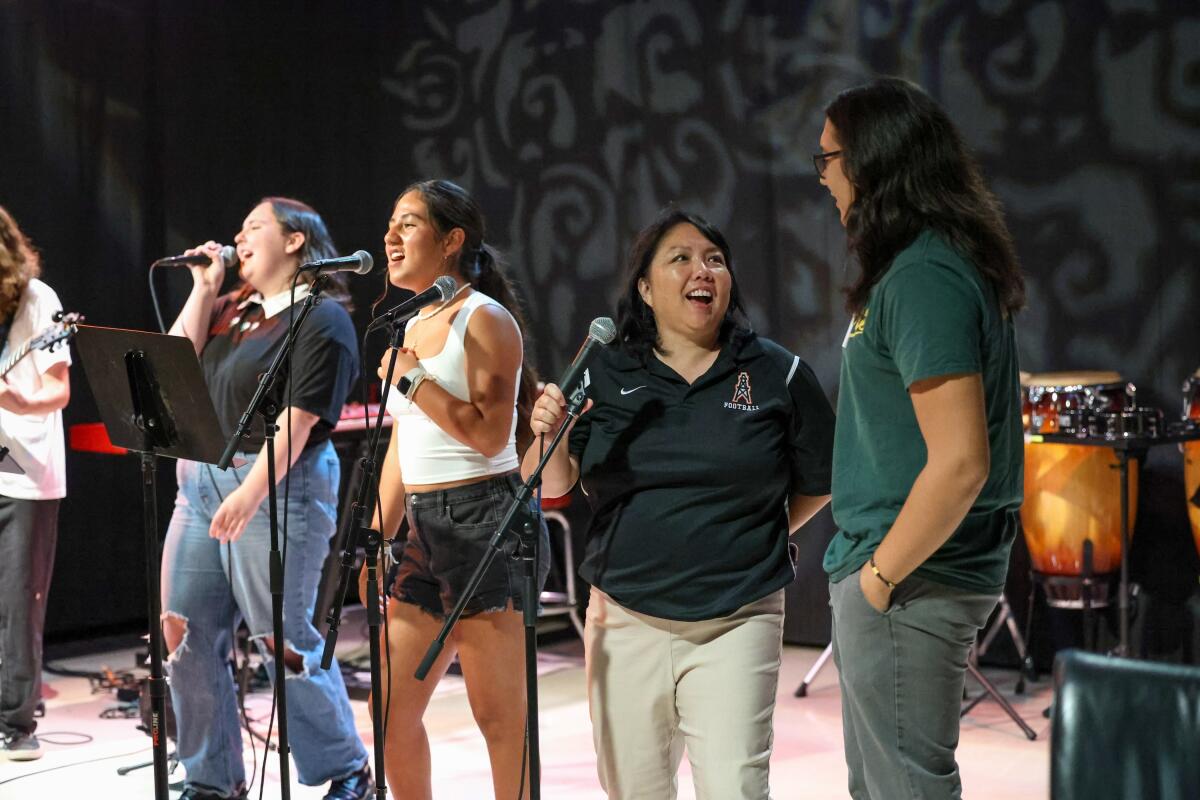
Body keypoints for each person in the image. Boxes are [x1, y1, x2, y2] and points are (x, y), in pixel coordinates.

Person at [525, 208, 836, 799]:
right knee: (633, 790)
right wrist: (552, 434)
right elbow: (548, 485)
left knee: (734, 788)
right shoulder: (605, 369)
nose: (704, 270)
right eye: (682, 258)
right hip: (624, 620)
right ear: (644, 288)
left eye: (715, 259)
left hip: (736, 620)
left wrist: (762, 531)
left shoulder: (776, 371)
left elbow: (821, 479)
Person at [815, 76, 1026, 799]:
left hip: (912, 581)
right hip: (904, 578)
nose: (824, 180)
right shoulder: (918, 268)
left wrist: (878, 579)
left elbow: (962, 461)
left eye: (829, 159)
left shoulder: (926, 276)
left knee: (902, 789)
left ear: (870, 163)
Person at [160, 197, 371, 800]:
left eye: (255, 226)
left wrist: (252, 493)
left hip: (281, 482)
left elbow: (299, 420)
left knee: (281, 633)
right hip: (202, 479)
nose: (239, 236)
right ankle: (210, 778)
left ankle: (346, 768)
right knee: (184, 628)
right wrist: (203, 291)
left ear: (297, 241)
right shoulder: (232, 309)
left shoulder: (319, 318)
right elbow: (171, 369)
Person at [370, 179, 548, 800]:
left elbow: (488, 431)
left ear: (451, 241)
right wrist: (377, 535)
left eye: (408, 225)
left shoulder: (486, 318)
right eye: (390, 224)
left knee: (500, 722)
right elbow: (404, 441)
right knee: (389, 714)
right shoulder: (412, 322)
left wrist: (415, 380)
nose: (390, 237)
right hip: (423, 525)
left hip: (487, 521)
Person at [0, 206, 71, 762]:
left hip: (23, 468)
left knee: (18, 599)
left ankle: (16, 721)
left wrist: (23, 402)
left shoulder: (38, 300)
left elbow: (59, 389)